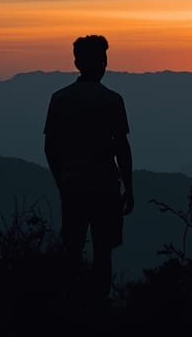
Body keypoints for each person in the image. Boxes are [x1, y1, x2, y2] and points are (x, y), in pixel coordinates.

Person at [43, 34, 134, 299]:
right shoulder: (112, 100)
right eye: (102, 59)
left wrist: (62, 181)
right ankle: (98, 306)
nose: (104, 64)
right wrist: (128, 187)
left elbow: (50, 147)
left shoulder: (60, 99)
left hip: (73, 186)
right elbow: (122, 148)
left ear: (76, 63)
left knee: (72, 248)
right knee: (103, 252)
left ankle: (71, 304)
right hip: (105, 187)